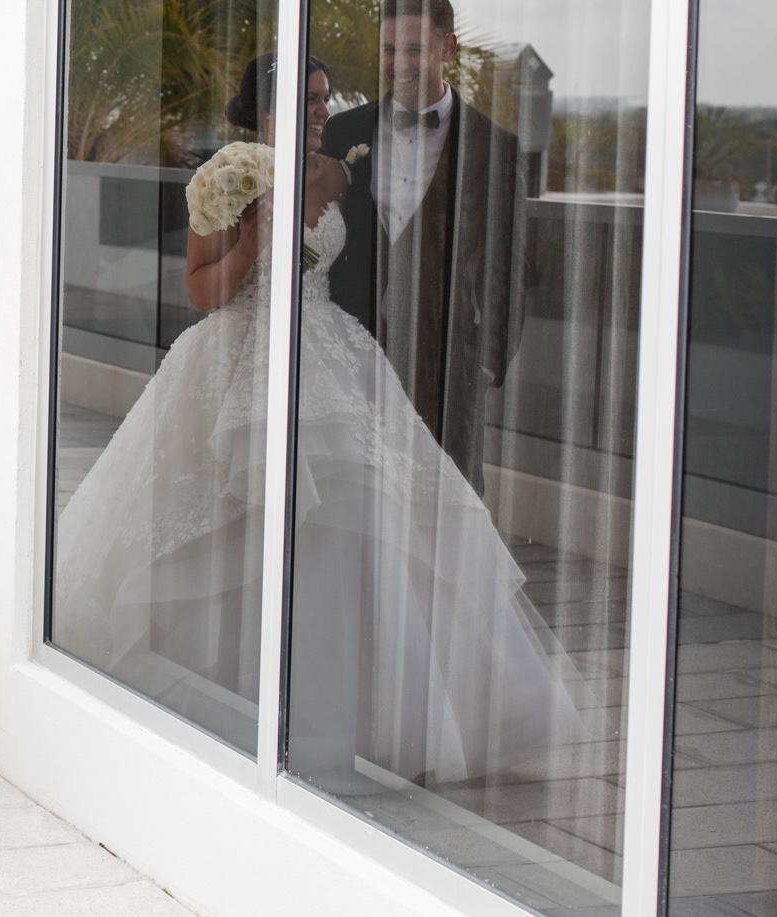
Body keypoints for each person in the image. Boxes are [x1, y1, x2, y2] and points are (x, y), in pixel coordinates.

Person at [52, 53, 582, 786]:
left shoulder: (335, 173)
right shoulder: (224, 176)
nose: (320, 111)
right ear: (263, 106)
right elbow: (203, 292)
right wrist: (250, 244)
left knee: (368, 513)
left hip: (334, 355)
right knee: (250, 524)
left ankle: (379, 718)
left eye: (325, 98)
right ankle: (245, 706)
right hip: (237, 358)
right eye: (306, 100)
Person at [322, 0, 527, 493]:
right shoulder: (343, 131)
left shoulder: (495, 147)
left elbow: (509, 265)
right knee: (352, 497)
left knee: (449, 502)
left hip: (449, 367)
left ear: (448, 48)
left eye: (414, 48)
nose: (398, 63)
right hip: (350, 351)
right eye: (389, 49)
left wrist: (483, 364)